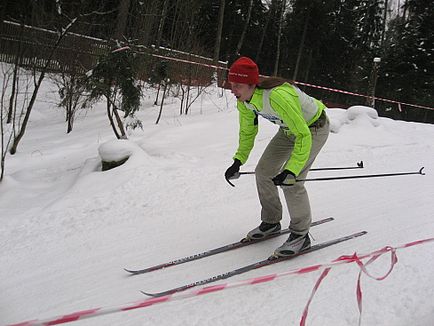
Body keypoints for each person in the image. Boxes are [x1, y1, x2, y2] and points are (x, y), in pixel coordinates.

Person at [224, 56, 330, 257]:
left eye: (237, 85)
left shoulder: (277, 96)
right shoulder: (244, 101)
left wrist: (291, 170)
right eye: (231, 84)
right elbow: (247, 132)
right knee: (263, 172)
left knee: (293, 182)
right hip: (288, 131)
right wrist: (238, 160)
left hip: (313, 129)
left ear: (251, 84)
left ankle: (301, 235)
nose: (232, 90)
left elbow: (303, 135)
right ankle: (271, 221)